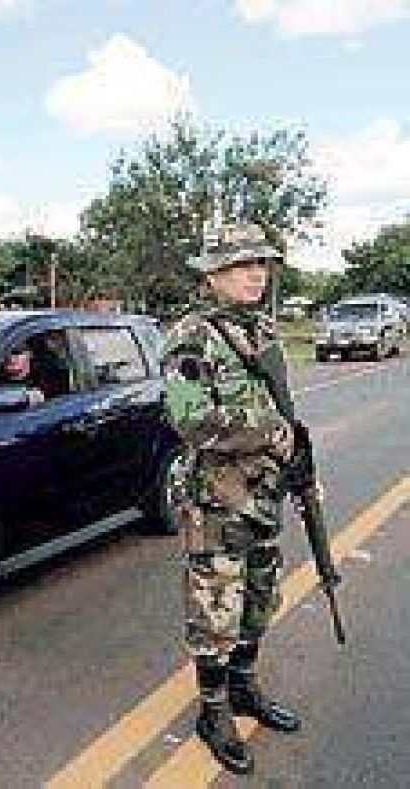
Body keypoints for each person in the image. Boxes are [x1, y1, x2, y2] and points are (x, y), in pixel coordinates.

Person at [163, 224, 305, 775]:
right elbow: (189, 419)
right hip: (217, 502)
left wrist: (296, 461)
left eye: (261, 264)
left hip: (265, 493)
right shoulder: (192, 337)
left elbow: (285, 410)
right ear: (213, 274)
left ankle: (245, 688)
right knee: (214, 612)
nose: (256, 274)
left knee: (260, 600)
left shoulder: (264, 330)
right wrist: (267, 430)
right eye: (242, 265)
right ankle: (214, 710)